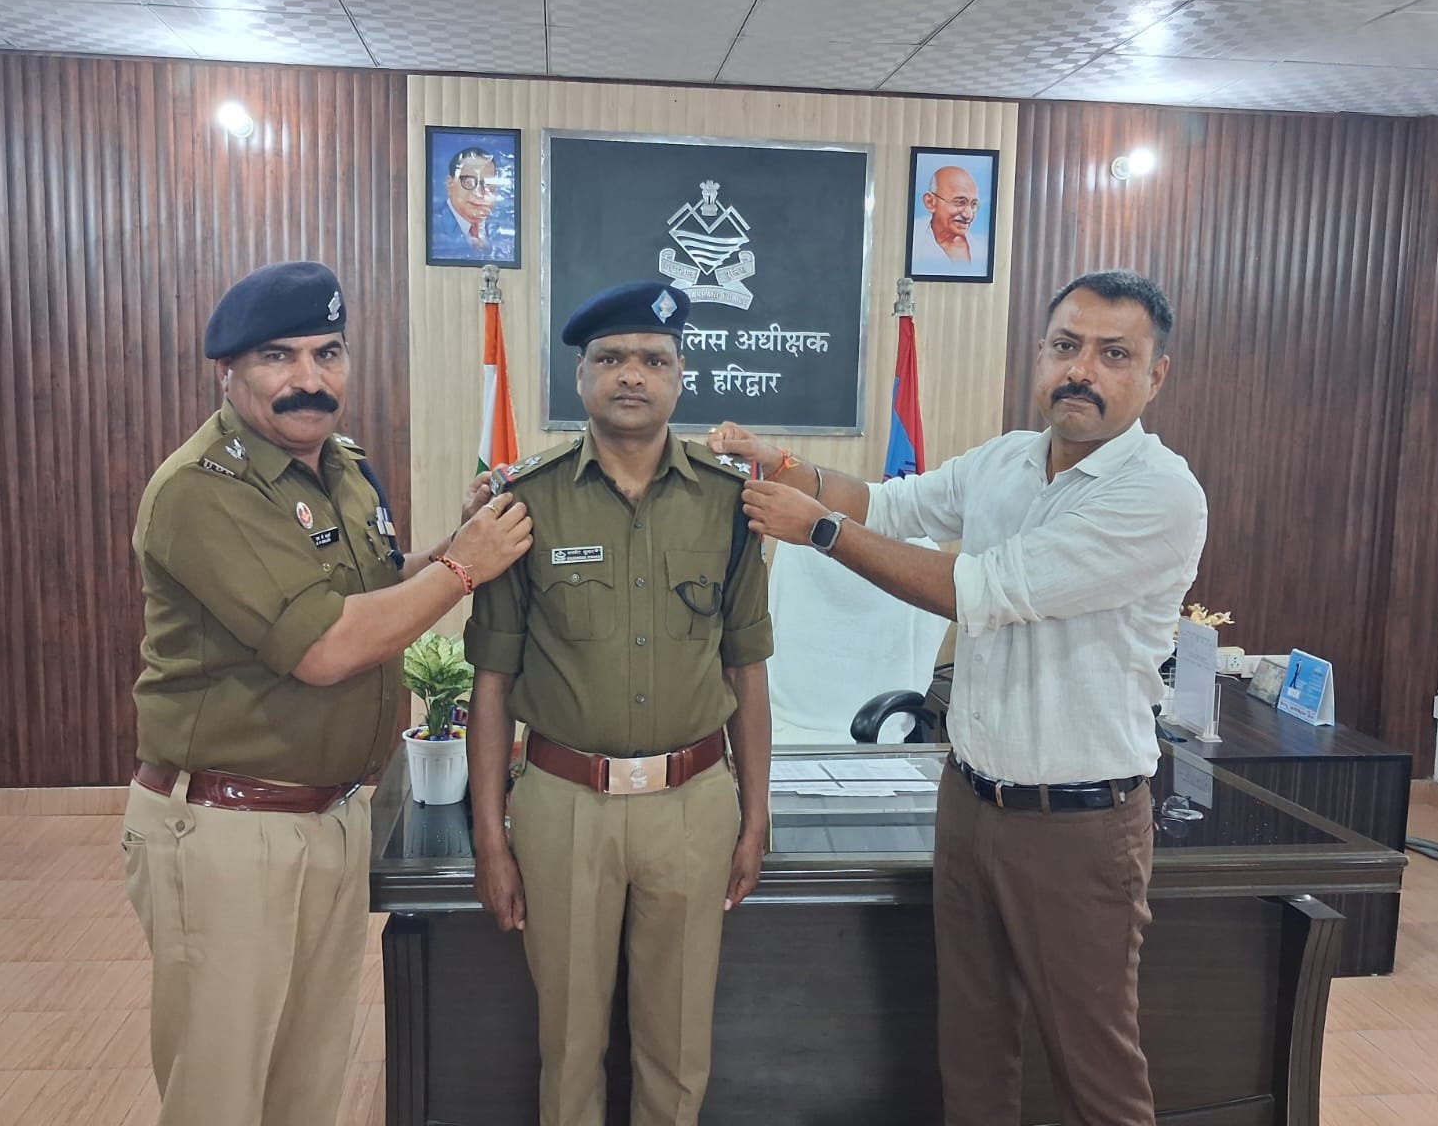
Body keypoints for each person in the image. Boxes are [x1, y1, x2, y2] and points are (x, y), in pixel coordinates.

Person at [713, 270, 1208, 1126]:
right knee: (973, 1050)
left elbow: (980, 590)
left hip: (1078, 824)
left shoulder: (1158, 494)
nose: (1081, 370)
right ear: (1041, 353)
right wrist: (782, 464)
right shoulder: (1007, 459)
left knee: (1094, 1068)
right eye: (1066, 346)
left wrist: (819, 531)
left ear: (1154, 375)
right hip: (971, 802)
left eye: (1113, 354)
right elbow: (891, 504)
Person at [122, 260, 532, 1126]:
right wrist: (464, 571)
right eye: (279, 356)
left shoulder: (341, 467)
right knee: (220, 1092)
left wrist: (449, 548)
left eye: (328, 353)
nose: (309, 379)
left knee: (306, 1082)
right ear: (229, 371)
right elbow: (324, 646)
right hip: (231, 829)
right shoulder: (203, 491)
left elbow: (372, 590)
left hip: (331, 817)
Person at [466, 280, 774, 1126]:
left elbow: (747, 668)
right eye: (610, 358)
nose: (631, 374)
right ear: (580, 376)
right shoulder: (521, 501)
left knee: (679, 1046)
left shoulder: (731, 502)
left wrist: (755, 816)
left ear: (681, 376)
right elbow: (492, 682)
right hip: (563, 805)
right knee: (568, 1046)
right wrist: (490, 836)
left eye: (653, 360)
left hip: (694, 803)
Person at [911, 164, 988, 275]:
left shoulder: (981, 251)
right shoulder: (913, 241)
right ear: (930, 202)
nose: (969, 215)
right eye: (960, 202)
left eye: (973, 205)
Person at [431, 146, 505, 259]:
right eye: (469, 182)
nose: (479, 193)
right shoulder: (432, 227)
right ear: (450, 184)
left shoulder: (502, 229)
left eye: (489, 184)